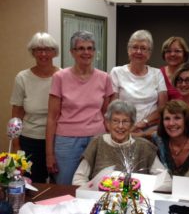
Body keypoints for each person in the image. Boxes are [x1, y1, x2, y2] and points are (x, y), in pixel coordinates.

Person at [46, 30, 114, 185]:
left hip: (97, 140)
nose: (86, 52)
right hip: (67, 142)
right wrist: (49, 154)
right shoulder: (60, 77)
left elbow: (106, 115)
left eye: (90, 48)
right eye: (81, 48)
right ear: (72, 52)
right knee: (66, 185)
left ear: (94, 52)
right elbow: (52, 117)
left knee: (98, 185)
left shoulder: (105, 78)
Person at [72, 100, 165, 185]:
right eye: (115, 121)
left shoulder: (145, 147)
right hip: (100, 199)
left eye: (125, 121)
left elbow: (165, 181)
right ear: (108, 123)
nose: (120, 126)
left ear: (132, 125)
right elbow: (78, 178)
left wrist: (144, 189)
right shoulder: (97, 143)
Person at [10, 32, 60, 183]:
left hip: (59, 139)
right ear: (32, 52)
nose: (43, 54)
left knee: (59, 183)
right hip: (30, 140)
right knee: (32, 183)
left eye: (48, 49)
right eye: (38, 49)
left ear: (54, 52)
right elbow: (16, 115)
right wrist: (16, 145)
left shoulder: (63, 76)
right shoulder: (22, 78)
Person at [110, 29, 167, 133]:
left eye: (143, 48)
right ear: (128, 50)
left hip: (150, 128)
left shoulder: (157, 74)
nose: (139, 52)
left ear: (149, 53)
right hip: (123, 128)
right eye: (135, 47)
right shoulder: (117, 72)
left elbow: (162, 107)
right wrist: (127, 125)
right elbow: (113, 106)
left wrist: (143, 123)